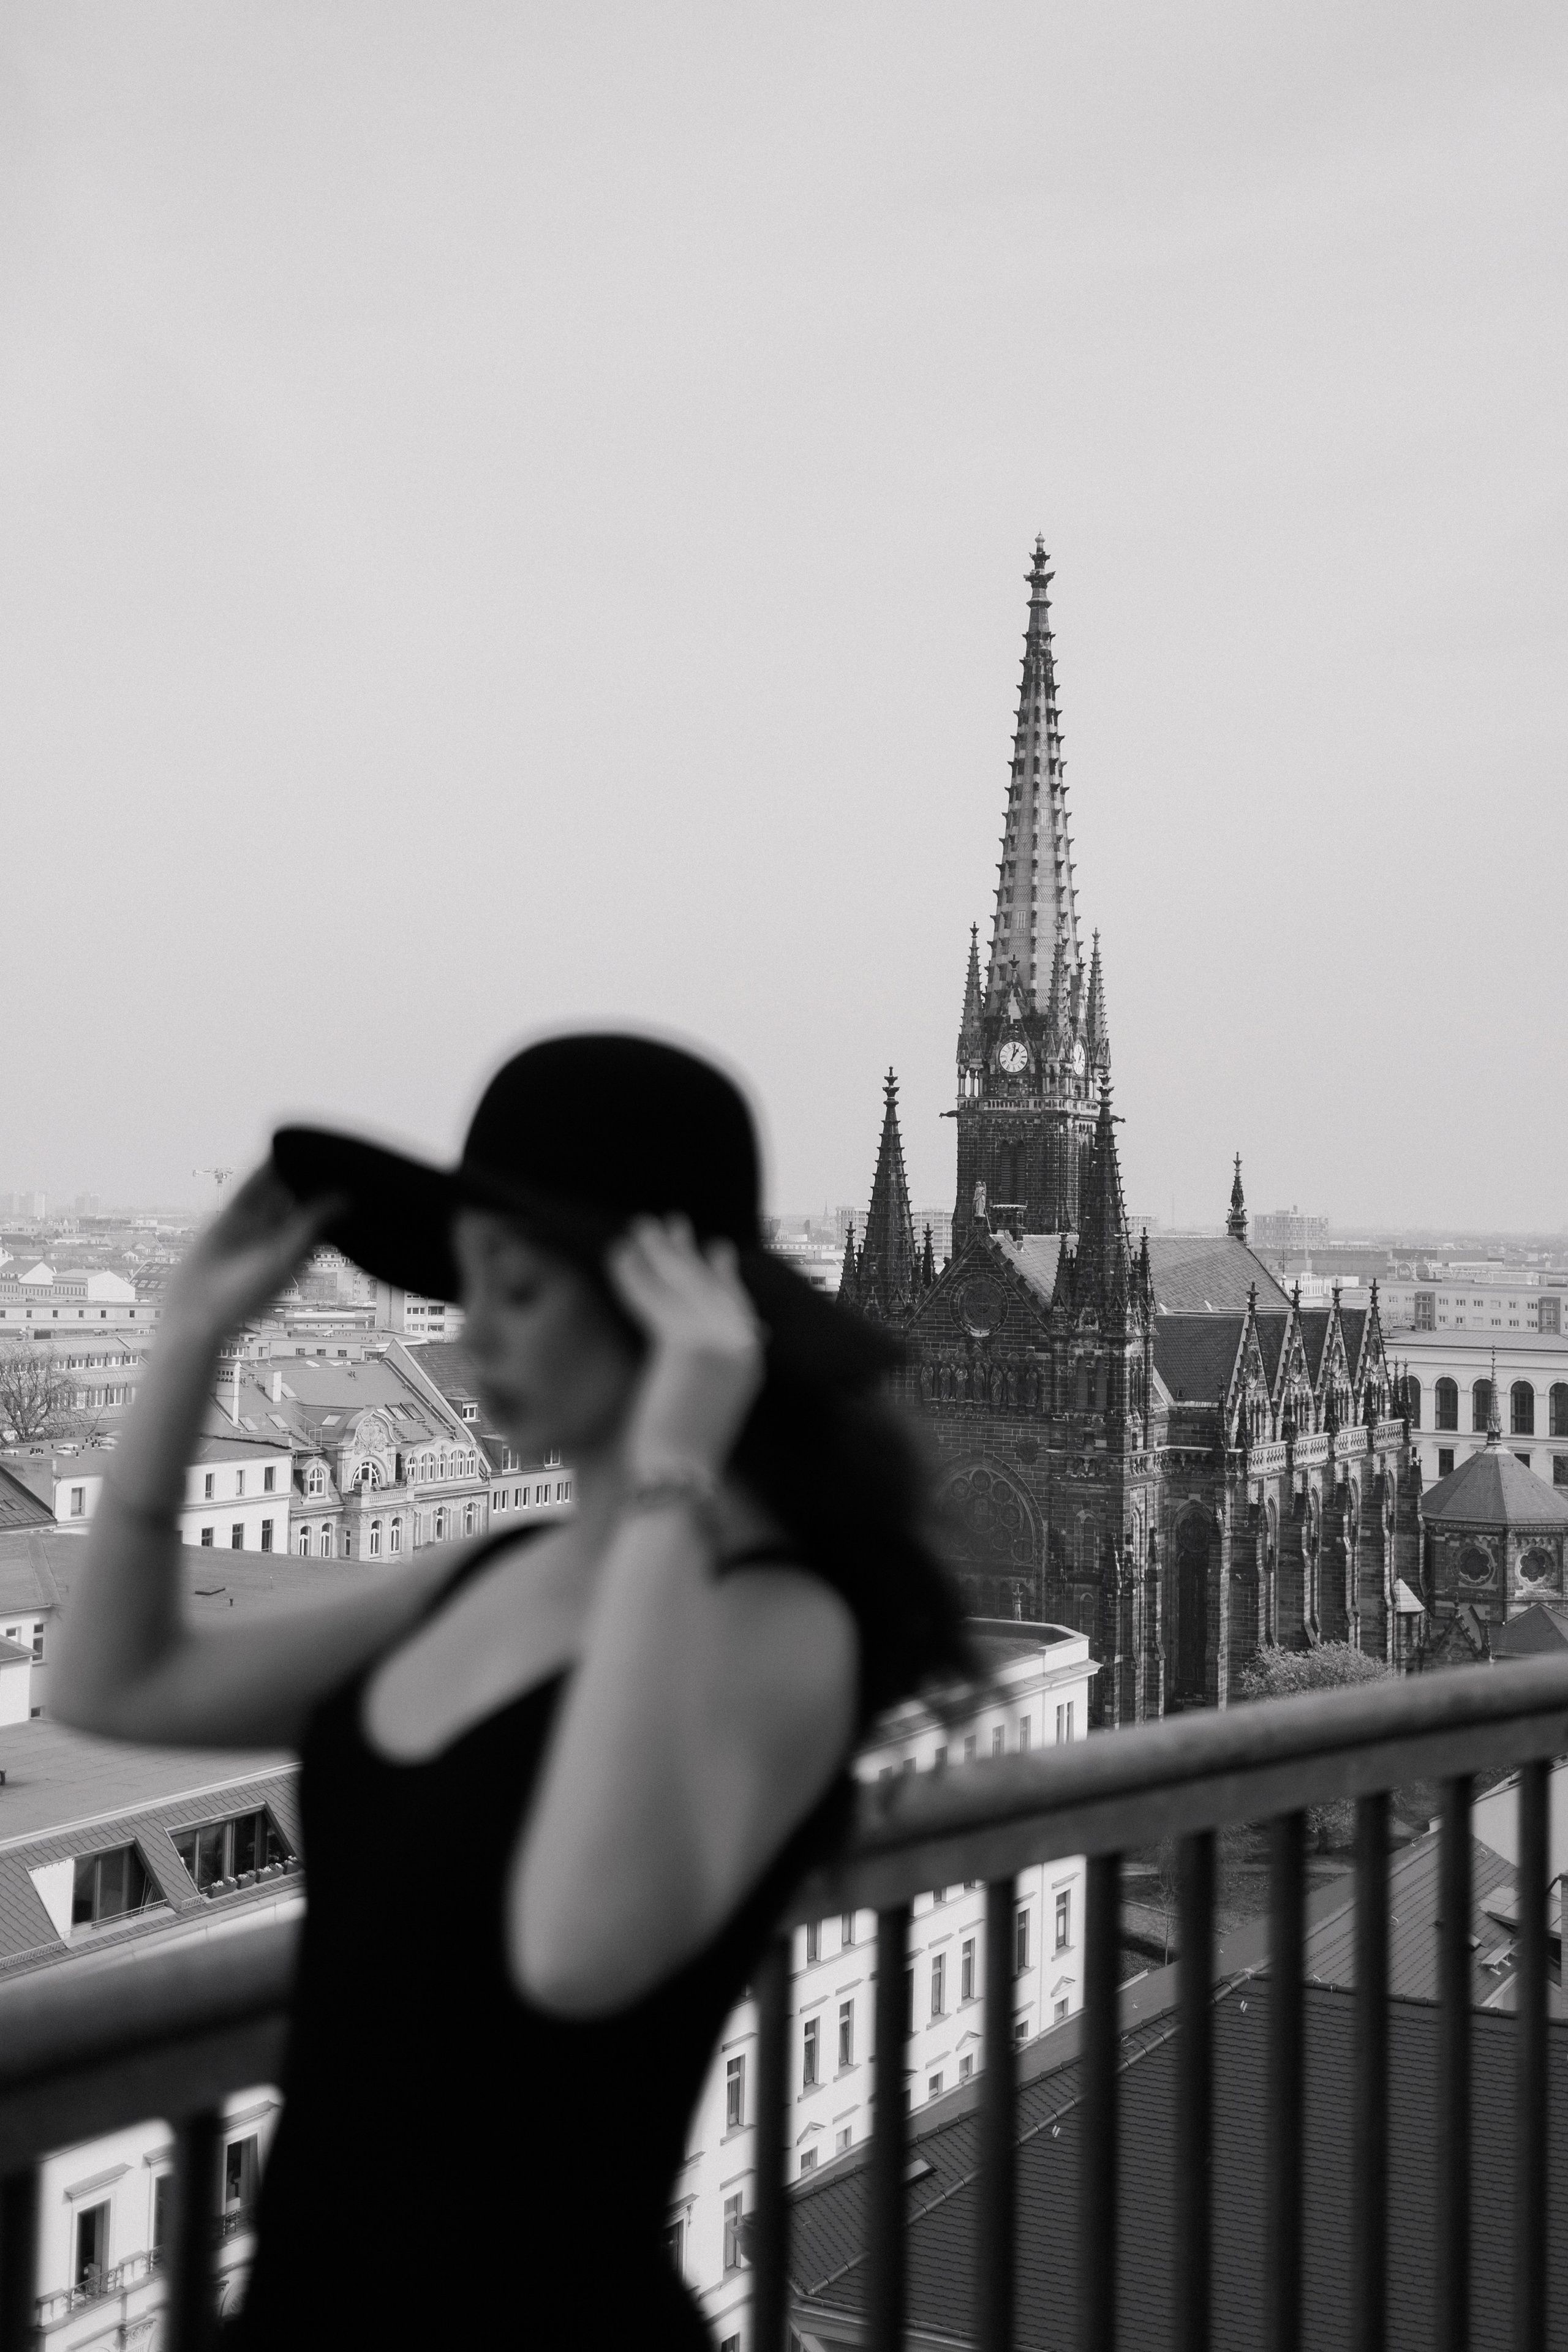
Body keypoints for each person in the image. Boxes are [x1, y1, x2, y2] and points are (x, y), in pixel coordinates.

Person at [55, 1033, 969, 2348]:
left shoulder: (779, 1622)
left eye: (519, 1289)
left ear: (664, 1313)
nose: (470, 1334)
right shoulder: (498, 1572)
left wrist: (668, 1479)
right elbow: (116, 1682)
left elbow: (575, 1949)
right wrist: (191, 1338)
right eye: (464, 1284)